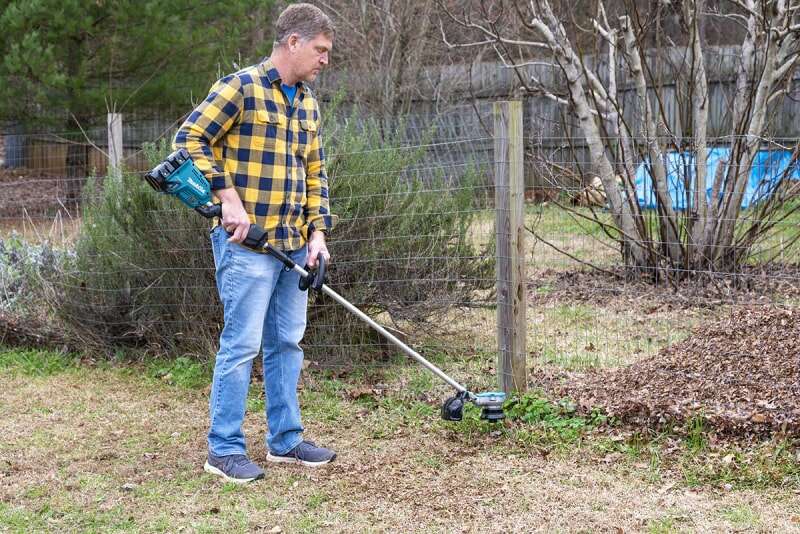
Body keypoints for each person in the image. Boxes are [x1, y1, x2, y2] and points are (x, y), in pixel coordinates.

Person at [173, 3, 337, 483]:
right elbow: (188, 140)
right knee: (241, 345)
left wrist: (318, 235)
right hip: (247, 246)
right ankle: (223, 450)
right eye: (320, 50)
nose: (324, 59)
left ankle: (285, 441)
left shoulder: (306, 102)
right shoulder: (239, 87)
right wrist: (227, 198)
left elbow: (315, 172)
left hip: (293, 249)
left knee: (287, 343)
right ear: (293, 42)